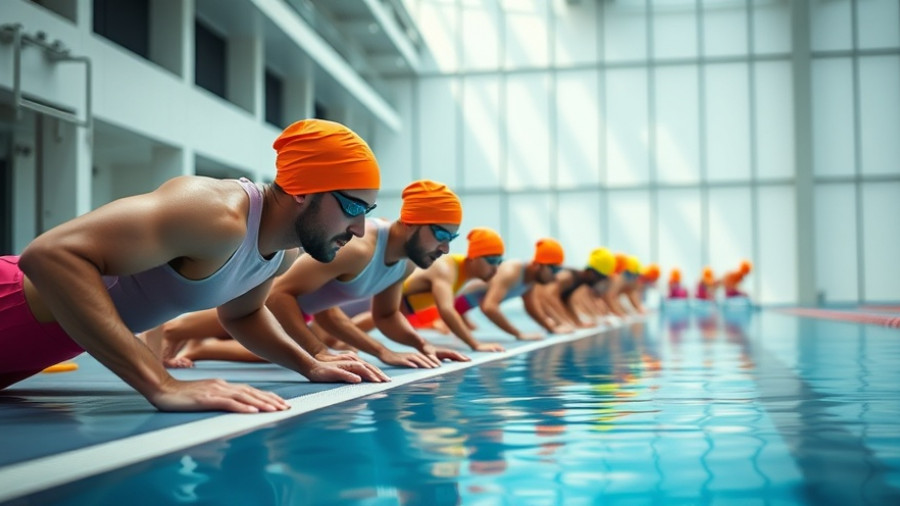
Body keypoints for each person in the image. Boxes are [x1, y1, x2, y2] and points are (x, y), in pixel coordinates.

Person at [0, 119, 386, 413]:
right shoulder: (214, 213)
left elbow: (244, 315)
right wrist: (161, 383)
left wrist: (310, 363)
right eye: (353, 207)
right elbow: (49, 255)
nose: (359, 228)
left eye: (367, 212)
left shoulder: (281, 254)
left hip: (39, 349)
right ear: (304, 190)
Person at [142, 180, 471, 369]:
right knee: (190, 319)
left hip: (299, 309)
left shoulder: (407, 263)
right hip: (264, 296)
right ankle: (174, 333)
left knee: (269, 354)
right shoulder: (359, 249)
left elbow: (385, 315)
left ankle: (187, 339)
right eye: (442, 235)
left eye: (451, 240)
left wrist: (421, 345)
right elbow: (277, 294)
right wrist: (317, 352)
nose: (445, 249)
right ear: (412, 222)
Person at [444, 238, 570, 342]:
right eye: (554, 270)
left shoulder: (530, 279)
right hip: (440, 308)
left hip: (458, 308)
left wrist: (552, 329)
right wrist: (518, 334)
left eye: (558, 271)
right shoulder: (512, 272)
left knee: (469, 328)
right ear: (537, 265)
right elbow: (489, 307)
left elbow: (531, 308)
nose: (555, 277)